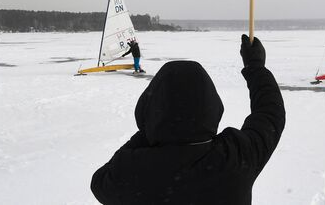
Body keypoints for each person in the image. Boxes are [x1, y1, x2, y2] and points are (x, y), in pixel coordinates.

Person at [91, 35, 286, 205]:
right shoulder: (235, 158)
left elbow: (98, 183)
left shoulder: (128, 171)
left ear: (149, 107)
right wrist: (255, 67)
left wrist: (149, 128)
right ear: (211, 106)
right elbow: (270, 114)